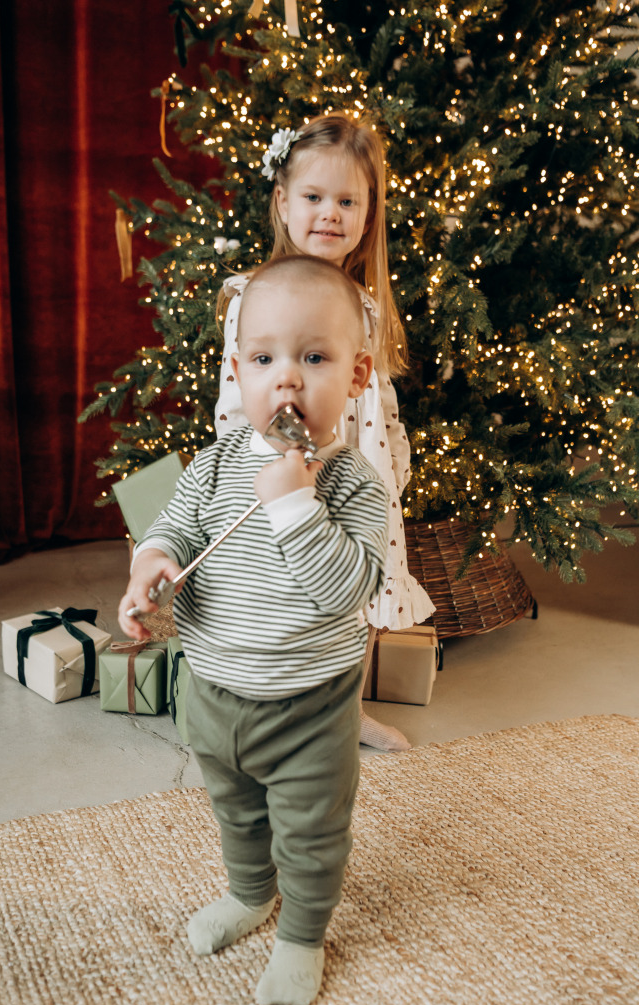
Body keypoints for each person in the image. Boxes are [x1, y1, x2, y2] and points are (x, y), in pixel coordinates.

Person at [118, 255, 389, 1005]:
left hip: (308, 706)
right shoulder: (212, 465)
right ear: (237, 372)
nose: (288, 380)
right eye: (266, 358)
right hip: (212, 693)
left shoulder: (357, 487)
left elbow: (346, 592)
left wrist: (295, 504)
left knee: (309, 834)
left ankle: (301, 935)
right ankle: (247, 893)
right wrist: (150, 569)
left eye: (314, 357)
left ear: (357, 376)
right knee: (235, 812)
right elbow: (171, 527)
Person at [214, 112, 434, 752]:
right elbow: (236, 400)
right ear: (283, 202)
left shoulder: (362, 305)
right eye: (313, 197)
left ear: (368, 215)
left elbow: (377, 398)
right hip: (283, 472)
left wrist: (391, 460)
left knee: (354, 586)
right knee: (288, 589)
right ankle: (270, 710)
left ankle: (345, 712)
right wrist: (257, 468)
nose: (329, 213)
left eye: (347, 201)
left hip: (353, 464)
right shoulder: (252, 296)